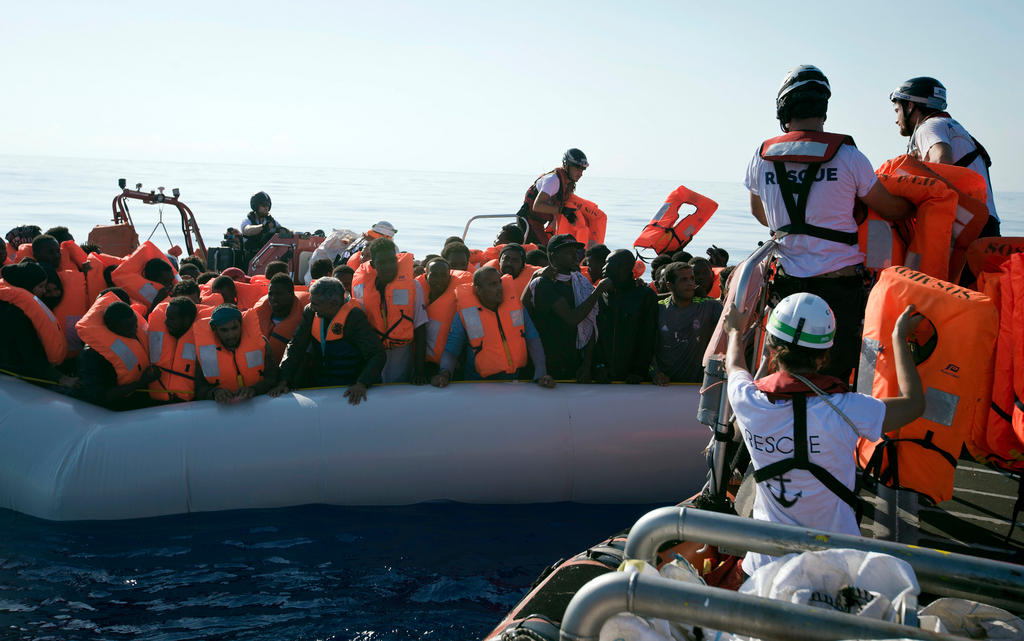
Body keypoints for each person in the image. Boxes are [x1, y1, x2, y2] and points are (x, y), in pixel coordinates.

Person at [723, 293, 924, 574]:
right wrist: (899, 338)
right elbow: (914, 404)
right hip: (836, 564)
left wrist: (734, 330)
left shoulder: (748, 400)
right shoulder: (850, 408)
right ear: (824, 357)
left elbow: (734, 366)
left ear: (771, 347)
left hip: (766, 567)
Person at [746, 64, 913, 380]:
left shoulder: (761, 155)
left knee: (785, 371)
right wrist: (916, 203)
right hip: (838, 286)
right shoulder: (848, 156)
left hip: (787, 284)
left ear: (783, 108)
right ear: (823, 109)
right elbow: (890, 209)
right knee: (833, 374)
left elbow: (759, 213)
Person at [891, 77, 998, 237]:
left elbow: (941, 159)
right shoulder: (953, 127)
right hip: (984, 222)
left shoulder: (928, 127)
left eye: (897, 111)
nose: (896, 120)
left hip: (964, 223)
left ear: (910, 106)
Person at [431, 266, 554, 388]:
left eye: (499, 282)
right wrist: (445, 373)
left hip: (513, 381)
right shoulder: (466, 314)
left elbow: (533, 338)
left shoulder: (516, 308)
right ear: (478, 289)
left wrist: (541, 373)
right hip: (478, 384)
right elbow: (452, 348)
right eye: (493, 284)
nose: (500, 288)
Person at [270, 277, 386, 405]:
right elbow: (295, 345)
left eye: (316, 304)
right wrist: (283, 380)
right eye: (311, 302)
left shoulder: (354, 317)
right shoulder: (310, 312)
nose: (312, 307)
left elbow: (377, 354)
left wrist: (362, 383)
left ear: (334, 303)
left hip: (349, 387)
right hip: (321, 384)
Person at [530, 234, 609, 382]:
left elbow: (590, 323)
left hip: (574, 363)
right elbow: (572, 319)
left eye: (576, 252)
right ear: (553, 256)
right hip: (549, 364)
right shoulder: (544, 284)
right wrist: (599, 290)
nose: (575, 256)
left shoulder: (581, 283)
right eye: (568, 252)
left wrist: (587, 365)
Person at [349, 237, 428, 384]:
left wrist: (419, 370)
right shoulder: (360, 288)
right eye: (382, 262)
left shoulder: (413, 286)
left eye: (392, 261)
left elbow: (420, 327)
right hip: (372, 355)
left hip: (402, 356)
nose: (389, 266)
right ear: (373, 264)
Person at [0, 262, 76, 388]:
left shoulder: (14, 303)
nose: (44, 291)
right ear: (28, 285)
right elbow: (28, 351)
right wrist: (61, 378)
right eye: (41, 286)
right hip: (15, 374)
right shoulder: (14, 313)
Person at [77, 299, 159, 410]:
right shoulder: (91, 356)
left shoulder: (132, 333)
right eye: (129, 328)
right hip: (117, 410)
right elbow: (100, 396)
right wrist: (141, 383)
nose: (134, 332)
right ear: (112, 327)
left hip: (141, 398)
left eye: (135, 326)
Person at [592, 249, 659, 383]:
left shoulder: (645, 296)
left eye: (608, 263)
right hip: (602, 375)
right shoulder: (599, 295)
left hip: (634, 377)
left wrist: (639, 371)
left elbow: (649, 337)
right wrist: (598, 366)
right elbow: (592, 335)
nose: (603, 268)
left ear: (623, 267)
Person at [193, 304, 279, 405]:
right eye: (224, 330)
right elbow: (199, 389)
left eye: (234, 328)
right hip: (224, 410)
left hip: (258, 405)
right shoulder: (204, 352)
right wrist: (215, 393)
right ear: (215, 330)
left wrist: (254, 390)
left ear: (241, 325)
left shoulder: (262, 344)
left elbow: (273, 377)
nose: (230, 335)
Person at [652, 263, 723, 384]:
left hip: (697, 387)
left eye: (692, 279)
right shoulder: (658, 309)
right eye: (683, 280)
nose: (690, 283)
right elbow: (647, 346)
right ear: (670, 286)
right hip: (664, 387)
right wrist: (655, 373)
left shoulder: (710, 306)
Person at [518, 148, 589, 245]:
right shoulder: (553, 180)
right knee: (543, 252)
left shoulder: (568, 182)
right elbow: (537, 206)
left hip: (540, 222)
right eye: (577, 168)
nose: (580, 173)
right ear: (566, 165)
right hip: (529, 221)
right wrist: (562, 210)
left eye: (582, 169)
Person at [147, 296, 200, 402]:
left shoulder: (202, 341)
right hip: (154, 403)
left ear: (186, 320)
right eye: (166, 317)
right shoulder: (156, 334)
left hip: (189, 405)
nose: (166, 322)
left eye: (171, 319)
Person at [252, 273, 311, 364]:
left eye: (279, 294)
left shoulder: (305, 320)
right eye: (270, 294)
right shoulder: (257, 317)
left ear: (291, 294)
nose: (273, 298)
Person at [416, 257, 458, 371]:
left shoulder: (458, 302)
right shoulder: (416, 298)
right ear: (426, 277)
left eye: (443, 275)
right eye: (434, 275)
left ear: (449, 278)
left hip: (446, 362)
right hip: (419, 361)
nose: (439, 280)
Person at [240, 191, 284, 257]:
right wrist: (264, 227)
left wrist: (288, 232)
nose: (266, 208)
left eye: (268, 205)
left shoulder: (272, 222)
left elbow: (283, 230)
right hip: (251, 258)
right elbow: (247, 230)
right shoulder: (247, 221)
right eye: (263, 205)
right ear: (255, 206)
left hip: (268, 256)